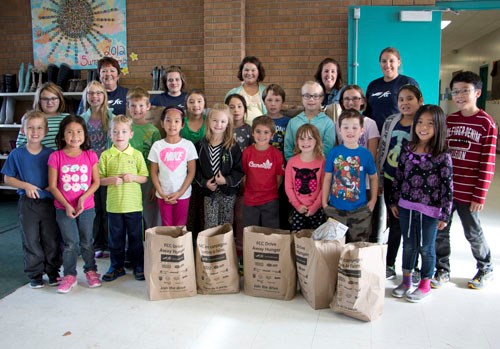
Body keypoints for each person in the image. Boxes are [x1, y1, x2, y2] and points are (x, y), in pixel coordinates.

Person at [432, 71, 497, 290]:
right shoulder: (449, 120)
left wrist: (479, 195)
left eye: (465, 91)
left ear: (477, 92)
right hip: (447, 191)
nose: (459, 96)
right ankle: (442, 269)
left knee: (473, 232)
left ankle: (485, 267)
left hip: (470, 192)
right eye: (456, 91)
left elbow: (488, 164)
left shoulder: (487, 124)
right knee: (441, 231)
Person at [390, 105, 453, 303]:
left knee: (426, 247)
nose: (423, 127)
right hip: (406, 207)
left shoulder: (442, 155)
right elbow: (399, 176)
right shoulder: (408, 149)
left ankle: (425, 285)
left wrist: (445, 214)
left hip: (431, 211)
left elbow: (447, 186)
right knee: (408, 246)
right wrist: (394, 201)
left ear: (439, 127)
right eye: (419, 122)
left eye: (430, 123)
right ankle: (406, 281)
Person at [1, 111, 61, 289]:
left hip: (49, 203)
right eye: (30, 128)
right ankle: (35, 274)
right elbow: (7, 178)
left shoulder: (51, 154)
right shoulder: (16, 154)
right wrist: (26, 185)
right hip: (27, 204)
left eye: (39, 128)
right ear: (23, 130)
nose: (35, 132)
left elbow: (58, 178)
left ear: (46, 130)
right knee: (31, 239)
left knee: (50, 238)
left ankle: (52, 271)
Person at [47, 115, 101, 293]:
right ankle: (69, 275)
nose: (75, 136)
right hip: (64, 208)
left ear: (85, 134)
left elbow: (96, 182)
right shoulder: (56, 157)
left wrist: (83, 199)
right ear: (63, 135)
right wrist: (68, 205)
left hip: (87, 207)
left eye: (79, 131)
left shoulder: (90, 155)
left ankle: (91, 270)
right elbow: (53, 186)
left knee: (87, 241)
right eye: (69, 132)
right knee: (71, 243)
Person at [377, 84, 423, 280]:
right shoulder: (390, 121)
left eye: (410, 98)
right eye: (401, 99)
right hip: (389, 179)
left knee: (414, 226)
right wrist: (379, 177)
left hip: (413, 184)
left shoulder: (424, 123)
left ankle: (414, 265)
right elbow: (382, 149)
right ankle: (389, 263)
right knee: (394, 223)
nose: (405, 103)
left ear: (420, 100)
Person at [99, 114, 149, 282]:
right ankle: (116, 266)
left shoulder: (136, 155)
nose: (120, 135)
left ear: (131, 134)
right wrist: (110, 180)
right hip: (114, 207)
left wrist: (133, 177)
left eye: (123, 131)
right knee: (115, 239)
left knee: (135, 238)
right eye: (115, 131)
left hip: (134, 206)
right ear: (110, 134)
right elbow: (98, 180)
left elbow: (144, 177)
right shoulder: (106, 155)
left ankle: (138, 266)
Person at [322, 109, 377, 242]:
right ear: (339, 130)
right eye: (345, 127)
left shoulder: (366, 154)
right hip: (335, 209)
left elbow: (373, 177)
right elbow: (328, 178)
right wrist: (324, 203)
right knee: (334, 247)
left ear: (361, 130)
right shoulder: (334, 153)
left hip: (360, 211)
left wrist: (373, 200)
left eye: (354, 127)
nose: (350, 131)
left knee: (358, 247)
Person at [338, 84, 382, 244]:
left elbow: (371, 156)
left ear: (362, 101)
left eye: (355, 98)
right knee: (346, 226)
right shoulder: (339, 123)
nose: (351, 102)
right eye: (347, 99)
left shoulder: (370, 123)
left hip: (365, 184)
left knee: (363, 228)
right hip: (345, 184)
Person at [80, 80, 115, 259]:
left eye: (99, 93)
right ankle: (96, 243)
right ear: (86, 97)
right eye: (91, 93)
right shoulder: (82, 119)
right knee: (93, 208)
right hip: (88, 170)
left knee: (107, 207)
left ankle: (109, 243)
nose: (95, 96)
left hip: (107, 169)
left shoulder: (112, 117)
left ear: (104, 96)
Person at [195, 104, 244, 229]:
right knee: (210, 225)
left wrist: (226, 180)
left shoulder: (233, 146)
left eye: (223, 121)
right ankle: (210, 248)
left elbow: (239, 170)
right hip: (209, 193)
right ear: (208, 121)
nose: (218, 124)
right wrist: (204, 182)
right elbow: (196, 170)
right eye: (215, 120)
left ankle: (225, 249)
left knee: (225, 226)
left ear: (228, 123)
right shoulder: (200, 145)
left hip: (227, 193)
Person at [148, 106, 198, 226]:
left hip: (183, 194)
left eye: (176, 121)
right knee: (166, 225)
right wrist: (160, 192)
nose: (172, 124)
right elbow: (154, 172)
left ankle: (180, 246)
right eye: (168, 120)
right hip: (163, 194)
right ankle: (168, 246)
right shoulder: (157, 145)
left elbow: (191, 172)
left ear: (182, 125)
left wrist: (180, 192)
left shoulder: (188, 145)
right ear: (162, 123)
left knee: (180, 225)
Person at [242, 115, 285, 228]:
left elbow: (279, 177)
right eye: (258, 131)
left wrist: (269, 192)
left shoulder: (277, 154)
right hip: (250, 200)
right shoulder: (247, 153)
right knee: (250, 232)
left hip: (270, 200)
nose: (261, 135)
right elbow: (244, 175)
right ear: (252, 133)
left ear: (272, 135)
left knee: (270, 233)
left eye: (266, 132)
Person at [127, 87, 162, 230]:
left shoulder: (153, 131)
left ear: (148, 107)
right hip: (128, 179)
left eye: (141, 105)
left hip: (147, 178)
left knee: (148, 213)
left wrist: (155, 186)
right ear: (128, 107)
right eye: (133, 105)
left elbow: (158, 162)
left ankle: (149, 244)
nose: (137, 109)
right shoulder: (124, 128)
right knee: (131, 214)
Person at [365, 47, 419, 132]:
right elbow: (367, 112)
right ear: (380, 63)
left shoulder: (407, 82)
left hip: (399, 135)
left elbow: (418, 110)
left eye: (391, 61)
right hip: (375, 136)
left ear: (398, 62)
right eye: (384, 61)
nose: (387, 65)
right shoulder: (373, 85)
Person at [285, 124, 325, 232]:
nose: (305, 142)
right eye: (302, 139)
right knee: (297, 237)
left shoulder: (321, 162)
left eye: (310, 138)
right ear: (297, 141)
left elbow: (324, 187)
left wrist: (315, 207)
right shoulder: (292, 162)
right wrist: (297, 205)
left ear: (316, 140)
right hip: (297, 208)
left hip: (317, 208)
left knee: (316, 238)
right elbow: (288, 187)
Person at [225, 94, 252, 254]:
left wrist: (246, 177)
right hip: (226, 180)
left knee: (241, 216)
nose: (236, 110)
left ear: (245, 109)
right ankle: (227, 252)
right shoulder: (223, 128)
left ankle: (241, 251)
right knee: (228, 216)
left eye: (239, 106)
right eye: (232, 107)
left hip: (243, 179)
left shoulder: (249, 130)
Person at [284, 81, 335, 161]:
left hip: (319, 168)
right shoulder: (293, 122)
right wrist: (294, 164)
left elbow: (328, 149)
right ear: (302, 98)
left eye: (315, 96)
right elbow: (288, 148)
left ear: (321, 98)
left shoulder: (328, 123)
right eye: (307, 96)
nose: (311, 99)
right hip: (296, 169)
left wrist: (315, 165)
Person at [181, 89, 208, 235]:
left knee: (203, 210)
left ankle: (201, 243)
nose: (195, 105)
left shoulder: (209, 122)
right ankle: (187, 242)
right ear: (186, 104)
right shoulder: (181, 122)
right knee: (188, 210)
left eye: (199, 101)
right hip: (184, 172)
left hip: (205, 172)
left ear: (204, 104)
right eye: (191, 102)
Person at [16, 82, 69, 150]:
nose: (49, 102)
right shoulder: (31, 119)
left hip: (63, 159)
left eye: (53, 98)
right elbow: (20, 145)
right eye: (45, 99)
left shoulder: (68, 118)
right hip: (38, 159)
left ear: (60, 99)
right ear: (39, 100)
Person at [225, 56, 267, 125]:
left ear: (259, 72)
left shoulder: (267, 92)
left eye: (253, 70)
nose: (249, 73)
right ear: (241, 71)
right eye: (246, 70)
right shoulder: (232, 93)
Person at [263, 84, 290, 154]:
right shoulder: (259, 121)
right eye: (269, 100)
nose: (273, 104)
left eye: (277, 100)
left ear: (282, 102)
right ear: (264, 102)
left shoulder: (289, 122)